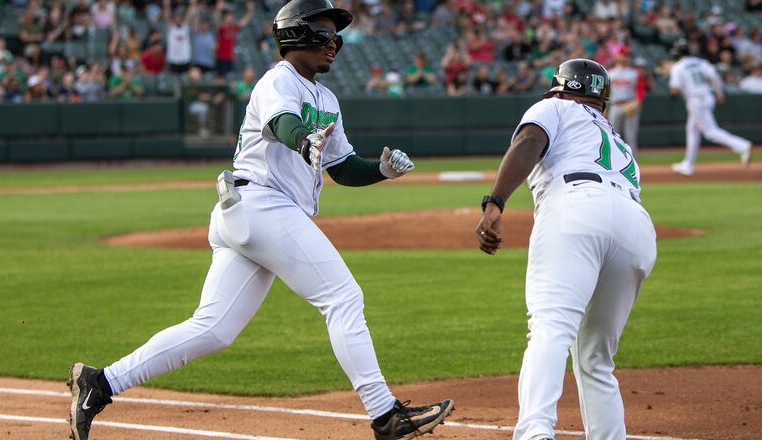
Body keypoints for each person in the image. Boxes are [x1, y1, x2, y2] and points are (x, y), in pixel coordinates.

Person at [67, 2, 454, 440]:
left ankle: (99, 383)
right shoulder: (277, 80)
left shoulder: (327, 98)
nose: (334, 43)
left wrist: (382, 170)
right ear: (296, 35)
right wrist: (305, 139)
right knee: (344, 298)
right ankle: (386, 416)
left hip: (249, 213)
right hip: (262, 204)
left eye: (337, 35)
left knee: (213, 329)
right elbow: (283, 124)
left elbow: (342, 166)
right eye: (325, 32)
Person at [476, 58, 657, 440]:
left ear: (559, 87)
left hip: (576, 206)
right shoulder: (618, 141)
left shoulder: (554, 106)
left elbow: (529, 141)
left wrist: (495, 201)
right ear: (603, 103)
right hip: (637, 225)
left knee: (550, 329)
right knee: (596, 357)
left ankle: (535, 432)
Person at [668, 39, 753, 176]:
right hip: (707, 97)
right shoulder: (701, 62)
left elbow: (674, 91)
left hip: (696, 101)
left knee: (710, 132)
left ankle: (742, 145)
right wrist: (719, 92)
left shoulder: (678, 67)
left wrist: (668, 73)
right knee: (692, 130)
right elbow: (715, 77)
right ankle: (688, 164)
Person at [608, 47, 643, 154]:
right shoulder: (610, 73)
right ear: (617, 56)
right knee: (612, 135)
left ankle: (633, 164)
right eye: (622, 54)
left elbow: (640, 89)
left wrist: (638, 101)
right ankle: (614, 163)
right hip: (615, 105)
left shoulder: (634, 73)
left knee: (630, 137)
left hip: (630, 104)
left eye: (626, 55)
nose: (624, 57)